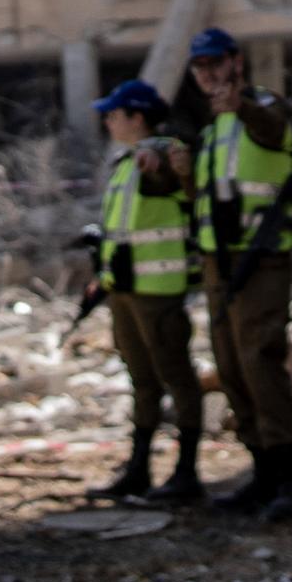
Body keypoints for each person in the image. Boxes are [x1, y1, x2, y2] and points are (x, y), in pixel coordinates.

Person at [182, 28, 292, 518]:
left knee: (260, 360)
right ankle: (262, 472)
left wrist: (239, 104)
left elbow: (273, 131)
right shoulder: (214, 127)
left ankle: (291, 481)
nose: (209, 75)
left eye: (216, 64)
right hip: (220, 259)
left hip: (261, 256)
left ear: (236, 63)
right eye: (200, 67)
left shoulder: (259, 107)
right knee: (232, 365)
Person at [83, 80, 204, 507]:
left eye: (114, 114)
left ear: (137, 117)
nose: (107, 121)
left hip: (159, 290)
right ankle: (138, 470)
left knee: (176, 378)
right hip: (127, 289)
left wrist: (169, 167)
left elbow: (179, 182)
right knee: (143, 381)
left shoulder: (165, 155)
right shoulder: (126, 161)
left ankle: (187, 472)